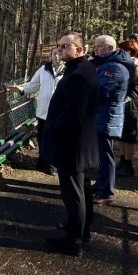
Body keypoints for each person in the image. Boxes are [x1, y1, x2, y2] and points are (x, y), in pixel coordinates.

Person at [42, 32, 100, 257]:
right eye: (59, 46)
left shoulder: (79, 74)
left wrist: (52, 126)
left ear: (79, 49)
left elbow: (74, 114)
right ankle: (81, 232)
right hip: (79, 142)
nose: (60, 50)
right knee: (82, 190)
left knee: (74, 193)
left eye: (66, 46)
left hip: (72, 145)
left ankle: (73, 241)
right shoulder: (81, 69)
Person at [90, 35, 132, 204]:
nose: (95, 50)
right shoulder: (107, 65)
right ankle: (101, 183)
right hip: (102, 115)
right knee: (101, 153)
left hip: (106, 116)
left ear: (108, 48)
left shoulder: (114, 68)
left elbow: (102, 91)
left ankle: (106, 191)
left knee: (105, 154)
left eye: (98, 47)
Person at [10, 46, 64, 173]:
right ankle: (42, 162)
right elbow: (33, 85)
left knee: (56, 139)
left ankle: (53, 166)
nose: (56, 56)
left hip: (60, 112)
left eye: (59, 54)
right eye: (54, 54)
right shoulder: (44, 69)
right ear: (50, 56)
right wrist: (22, 90)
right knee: (42, 138)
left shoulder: (69, 70)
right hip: (43, 111)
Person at [116, 40, 138, 177]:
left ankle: (128, 164)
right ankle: (122, 160)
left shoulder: (136, 66)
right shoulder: (125, 65)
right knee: (121, 134)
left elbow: (129, 85)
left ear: (128, 52)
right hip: (123, 103)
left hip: (132, 104)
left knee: (130, 134)